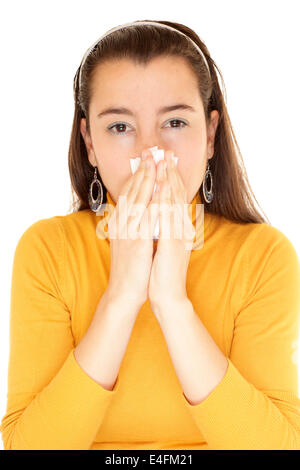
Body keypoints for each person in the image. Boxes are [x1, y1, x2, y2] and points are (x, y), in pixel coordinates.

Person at [1, 19, 300, 450]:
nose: (150, 153)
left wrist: (173, 305)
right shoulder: (48, 251)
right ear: (89, 141)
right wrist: (121, 297)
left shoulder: (262, 256)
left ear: (211, 133)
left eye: (175, 123)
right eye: (120, 127)